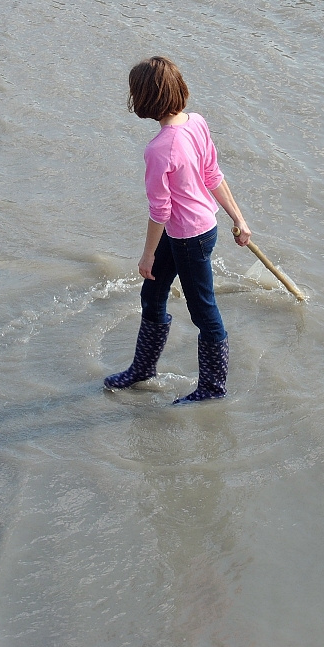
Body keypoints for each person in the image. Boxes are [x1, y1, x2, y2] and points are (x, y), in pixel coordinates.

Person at [105, 56, 250, 404]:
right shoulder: (197, 123)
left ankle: (213, 388)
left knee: (203, 310)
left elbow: (161, 210)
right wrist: (237, 218)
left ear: (144, 99)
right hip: (200, 228)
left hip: (188, 238)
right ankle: (142, 370)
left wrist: (147, 255)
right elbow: (213, 175)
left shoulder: (158, 150)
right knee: (152, 296)